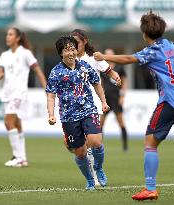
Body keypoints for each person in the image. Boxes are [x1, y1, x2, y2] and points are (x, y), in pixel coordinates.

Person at [93, 11, 174, 203]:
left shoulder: (152, 51)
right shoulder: (171, 46)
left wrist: (102, 55)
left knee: (150, 142)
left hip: (170, 101)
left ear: (144, 34)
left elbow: (130, 59)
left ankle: (150, 188)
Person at [46, 35, 109, 190]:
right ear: (61, 53)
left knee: (96, 142)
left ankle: (98, 168)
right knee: (80, 152)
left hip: (89, 110)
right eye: (67, 50)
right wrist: (51, 114)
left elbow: (96, 84)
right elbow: (51, 95)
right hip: (68, 117)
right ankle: (89, 180)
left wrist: (103, 102)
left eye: (73, 49)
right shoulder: (56, 72)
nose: (71, 52)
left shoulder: (85, 67)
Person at [71, 29, 121, 185]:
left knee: (93, 141)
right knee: (80, 145)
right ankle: (92, 174)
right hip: (74, 107)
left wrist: (115, 77)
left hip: (93, 104)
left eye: (76, 43)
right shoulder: (68, 59)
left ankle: (96, 171)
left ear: (84, 41)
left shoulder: (93, 58)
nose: (73, 46)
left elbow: (109, 70)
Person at [0, 27, 47, 167]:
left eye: (10, 34)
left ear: (18, 38)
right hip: (7, 93)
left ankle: (17, 157)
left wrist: (46, 88)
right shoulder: (4, 55)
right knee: (16, 124)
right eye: (7, 34)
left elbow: (37, 70)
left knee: (8, 121)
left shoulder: (25, 53)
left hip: (19, 93)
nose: (7, 37)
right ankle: (22, 158)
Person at [100, 48, 128, 151]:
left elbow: (124, 82)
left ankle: (125, 147)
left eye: (109, 54)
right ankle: (99, 145)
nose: (107, 56)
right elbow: (101, 84)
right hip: (106, 100)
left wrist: (122, 96)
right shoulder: (103, 68)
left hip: (116, 98)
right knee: (101, 124)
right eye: (106, 54)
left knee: (121, 123)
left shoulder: (120, 68)